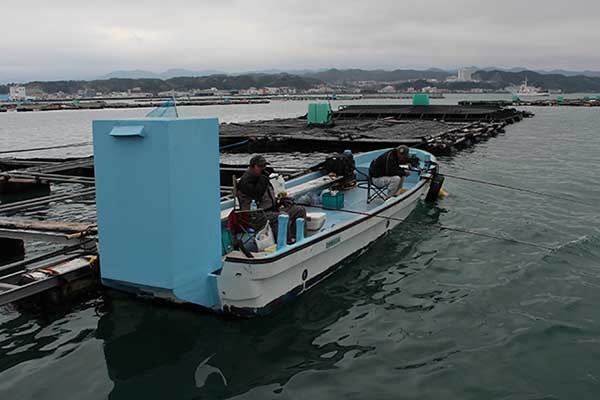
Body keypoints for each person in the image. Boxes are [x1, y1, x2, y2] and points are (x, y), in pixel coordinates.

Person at [237, 155, 306, 244]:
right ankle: (286, 242)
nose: (263, 169)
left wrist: (280, 201)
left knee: (299, 210)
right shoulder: (246, 181)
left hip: (271, 210)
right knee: (283, 216)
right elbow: (257, 193)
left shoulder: (261, 178)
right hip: (257, 215)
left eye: (264, 166)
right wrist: (263, 178)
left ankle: (297, 238)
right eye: (260, 166)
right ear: (252, 167)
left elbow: (267, 198)